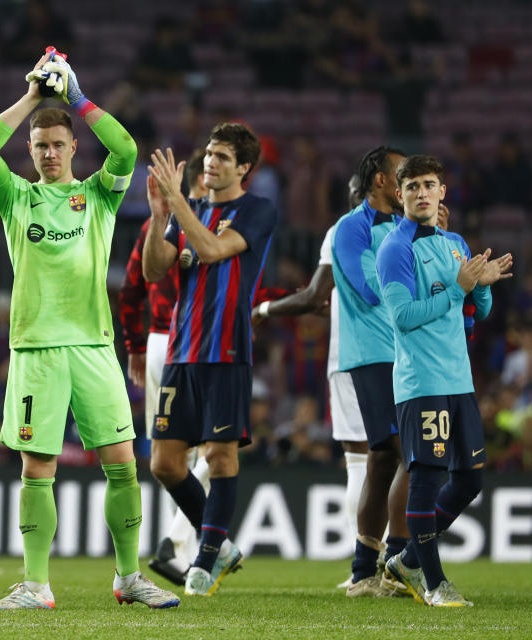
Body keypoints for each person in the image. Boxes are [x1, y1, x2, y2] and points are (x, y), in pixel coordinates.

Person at [0, 50, 178, 610]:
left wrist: (77, 99)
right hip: (36, 347)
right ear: (31, 151)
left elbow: (129, 149)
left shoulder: (101, 195)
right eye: (40, 145)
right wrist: (35, 98)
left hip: (93, 346)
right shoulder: (16, 196)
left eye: (59, 144)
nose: (50, 153)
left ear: (74, 148)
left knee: (122, 461)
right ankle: (36, 585)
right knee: (37, 468)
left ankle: (129, 577)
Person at [143, 122, 277, 596]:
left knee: (220, 456)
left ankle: (203, 560)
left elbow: (214, 249)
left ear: (244, 168)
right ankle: (217, 542)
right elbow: (155, 269)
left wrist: (178, 202)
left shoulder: (257, 211)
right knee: (164, 463)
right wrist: (161, 214)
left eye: (222, 157)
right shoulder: (188, 209)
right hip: (182, 350)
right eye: (209, 155)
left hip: (226, 350)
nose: (211, 163)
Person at [376, 154, 512, 606]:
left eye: (428, 184)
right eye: (411, 186)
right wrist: (458, 287)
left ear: (442, 192)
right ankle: (434, 584)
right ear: (400, 195)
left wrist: (482, 285)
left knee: (470, 479)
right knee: (429, 478)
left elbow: (478, 311)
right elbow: (402, 318)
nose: (420, 193)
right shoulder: (396, 248)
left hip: (460, 381)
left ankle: (409, 560)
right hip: (422, 383)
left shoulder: (455, 241)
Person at [252, 174, 369, 588]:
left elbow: (315, 296)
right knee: (397, 462)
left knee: (359, 462)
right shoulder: (410, 233)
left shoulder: (344, 231)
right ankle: (399, 558)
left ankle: (367, 566)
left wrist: (264, 310)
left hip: (354, 358)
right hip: (407, 360)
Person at [119, 149, 209, 585]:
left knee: (176, 451)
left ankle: (185, 546)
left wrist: (135, 347)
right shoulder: (209, 229)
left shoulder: (152, 228)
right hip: (193, 345)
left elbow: (131, 289)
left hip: (156, 343)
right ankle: (178, 543)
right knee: (209, 449)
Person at [330, 145, 411, 597]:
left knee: (383, 460)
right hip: (372, 354)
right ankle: (399, 563)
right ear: (381, 180)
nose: (410, 186)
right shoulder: (350, 228)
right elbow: (369, 287)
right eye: (403, 176)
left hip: (407, 354)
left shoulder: (406, 229)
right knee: (413, 454)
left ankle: (364, 571)